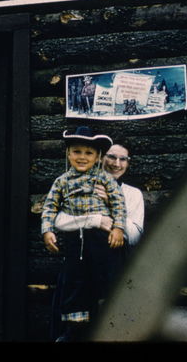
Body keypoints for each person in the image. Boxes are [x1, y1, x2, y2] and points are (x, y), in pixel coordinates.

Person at [49, 141, 145, 340]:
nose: (116, 163)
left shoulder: (132, 194)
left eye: (122, 159)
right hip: (79, 266)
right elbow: (58, 220)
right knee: (76, 326)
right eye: (111, 157)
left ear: (128, 163)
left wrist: (111, 204)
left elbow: (134, 236)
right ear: (101, 158)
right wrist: (95, 219)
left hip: (112, 266)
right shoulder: (78, 183)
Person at [41, 126, 127, 341]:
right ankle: (75, 330)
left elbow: (118, 204)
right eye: (77, 151)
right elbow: (50, 208)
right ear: (68, 153)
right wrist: (47, 231)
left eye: (88, 153)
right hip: (75, 242)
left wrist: (118, 228)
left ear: (98, 156)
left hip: (101, 241)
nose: (82, 157)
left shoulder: (105, 179)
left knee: (103, 280)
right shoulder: (62, 182)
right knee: (76, 283)